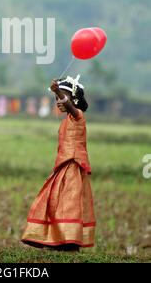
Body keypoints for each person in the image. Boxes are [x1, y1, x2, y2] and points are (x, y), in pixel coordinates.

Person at [21, 75, 96, 250]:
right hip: (62, 166)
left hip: (73, 165)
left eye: (63, 96)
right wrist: (59, 92)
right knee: (53, 201)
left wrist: (57, 90)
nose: (59, 101)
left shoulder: (78, 116)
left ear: (74, 99)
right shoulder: (66, 121)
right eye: (56, 98)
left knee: (68, 203)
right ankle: (54, 238)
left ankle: (69, 241)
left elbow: (70, 108)